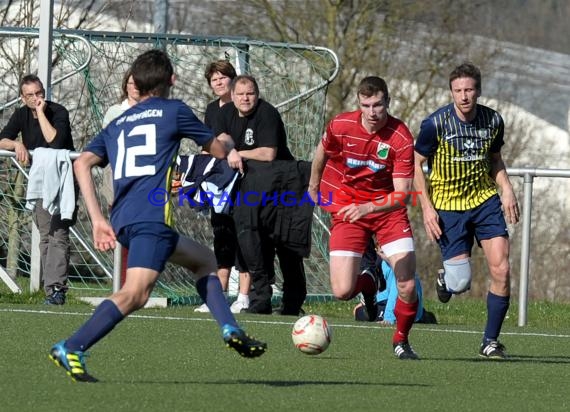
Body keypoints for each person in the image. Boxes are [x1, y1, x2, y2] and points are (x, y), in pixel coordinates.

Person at [48, 49, 266, 383]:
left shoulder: (117, 123)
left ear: (135, 82)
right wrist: (226, 140)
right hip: (151, 218)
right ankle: (71, 345)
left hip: (123, 218)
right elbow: (217, 150)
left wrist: (97, 219)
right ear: (172, 80)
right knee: (136, 293)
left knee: (205, 261)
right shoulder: (173, 110)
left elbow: (81, 163)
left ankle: (229, 328)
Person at [308, 76, 420, 360]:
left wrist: (368, 208)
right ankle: (369, 283)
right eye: (366, 105)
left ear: (388, 103)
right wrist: (313, 185)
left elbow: (403, 195)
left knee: (406, 283)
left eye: (378, 104)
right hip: (348, 207)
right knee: (343, 290)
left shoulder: (401, 137)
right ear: (359, 104)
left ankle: (401, 341)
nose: (372, 111)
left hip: (386, 213)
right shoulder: (341, 125)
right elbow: (323, 150)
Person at [414, 62, 519, 360]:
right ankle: (445, 279)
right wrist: (427, 207)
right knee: (460, 284)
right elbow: (415, 162)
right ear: (451, 92)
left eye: (469, 90)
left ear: (479, 91)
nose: (464, 96)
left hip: (485, 202)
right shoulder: (435, 124)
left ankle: (490, 341)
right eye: (458, 90)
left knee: (502, 269)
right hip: (448, 207)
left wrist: (507, 189)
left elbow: (495, 160)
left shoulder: (493, 120)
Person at [214, 74, 308, 315]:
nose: (246, 98)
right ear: (232, 95)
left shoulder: (267, 113)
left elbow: (268, 154)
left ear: (257, 94)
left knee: (287, 243)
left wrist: (239, 154)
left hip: (284, 184)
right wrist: (230, 148)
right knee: (255, 241)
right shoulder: (225, 113)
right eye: (241, 94)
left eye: (251, 93)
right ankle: (260, 299)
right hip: (253, 187)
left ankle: (292, 303)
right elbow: (221, 138)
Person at [0, 74, 75, 305]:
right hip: (40, 179)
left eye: (39, 93)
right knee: (46, 235)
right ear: (23, 98)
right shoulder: (21, 114)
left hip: (63, 178)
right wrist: (17, 143)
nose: (36, 98)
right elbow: (2, 139)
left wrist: (41, 112)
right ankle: (51, 288)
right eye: (30, 95)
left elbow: (55, 141)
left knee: (59, 234)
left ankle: (57, 288)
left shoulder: (58, 111)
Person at [194, 60, 252, 314]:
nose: (218, 82)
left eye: (223, 77)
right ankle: (219, 295)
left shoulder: (243, 108)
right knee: (221, 233)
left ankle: (245, 295)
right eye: (213, 79)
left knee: (242, 234)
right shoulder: (211, 109)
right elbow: (207, 142)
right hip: (218, 180)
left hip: (242, 178)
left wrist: (233, 151)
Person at [353, 242, 437, 325]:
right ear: (377, 251)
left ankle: (416, 316)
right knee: (361, 310)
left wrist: (389, 318)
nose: (388, 256)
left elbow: (394, 291)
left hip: (408, 307)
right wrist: (368, 302)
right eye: (383, 252)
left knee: (361, 314)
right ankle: (424, 316)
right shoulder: (385, 265)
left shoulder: (400, 266)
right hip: (402, 304)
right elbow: (389, 292)